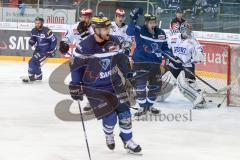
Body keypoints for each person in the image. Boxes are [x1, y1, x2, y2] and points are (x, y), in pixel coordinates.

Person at [69, 16, 142, 154]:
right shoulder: (85, 46)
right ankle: (108, 133)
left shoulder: (114, 40)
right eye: (104, 28)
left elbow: (121, 59)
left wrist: (129, 75)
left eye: (108, 28)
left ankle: (127, 140)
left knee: (125, 113)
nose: (107, 31)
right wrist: (75, 85)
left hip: (115, 84)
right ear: (96, 29)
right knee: (111, 118)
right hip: (95, 88)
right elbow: (75, 66)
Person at [126, 8, 171, 116]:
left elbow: (165, 47)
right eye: (150, 22)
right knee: (140, 86)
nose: (153, 24)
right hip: (140, 63)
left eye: (154, 22)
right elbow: (129, 31)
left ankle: (149, 106)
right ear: (146, 23)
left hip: (155, 64)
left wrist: (169, 55)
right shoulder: (139, 30)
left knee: (156, 87)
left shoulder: (161, 33)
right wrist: (133, 19)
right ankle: (142, 107)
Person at [166, 22, 206, 108]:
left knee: (188, 83)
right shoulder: (173, 38)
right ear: (182, 30)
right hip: (173, 64)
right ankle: (157, 94)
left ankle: (199, 99)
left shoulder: (194, 41)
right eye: (188, 30)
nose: (189, 32)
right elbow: (166, 48)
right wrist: (172, 57)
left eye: (190, 30)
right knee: (165, 81)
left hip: (186, 66)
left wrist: (194, 59)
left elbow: (201, 57)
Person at [22, 17, 57, 83]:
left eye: (38, 23)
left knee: (31, 62)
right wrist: (32, 41)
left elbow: (54, 40)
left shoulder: (47, 31)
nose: (37, 24)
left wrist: (52, 50)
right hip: (38, 50)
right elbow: (34, 38)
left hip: (45, 51)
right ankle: (39, 76)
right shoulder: (33, 30)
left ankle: (31, 77)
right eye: (36, 23)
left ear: (42, 23)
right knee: (36, 63)